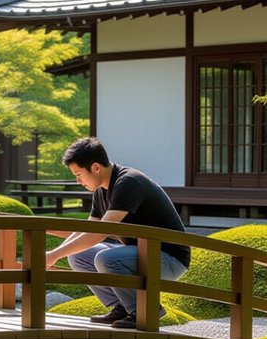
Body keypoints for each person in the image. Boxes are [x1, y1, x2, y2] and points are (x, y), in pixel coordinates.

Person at [45, 137, 190, 329]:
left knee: (106, 259)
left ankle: (146, 309)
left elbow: (99, 233)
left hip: (169, 259)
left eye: (78, 174)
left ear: (96, 167)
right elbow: (88, 229)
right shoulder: (100, 191)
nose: (77, 180)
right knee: (78, 255)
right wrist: (57, 252)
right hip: (141, 253)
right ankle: (122, 306)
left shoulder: (128, 182)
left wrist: (54, 255)